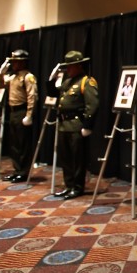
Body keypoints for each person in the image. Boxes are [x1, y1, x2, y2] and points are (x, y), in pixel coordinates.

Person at [46, 51, 99, 200]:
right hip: (64, 125)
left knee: (77, 159)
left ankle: (77, 187)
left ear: (79, 66)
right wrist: (52, 79)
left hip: (77, 125)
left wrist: (88, 125)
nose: (68, 69)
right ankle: (68, 185)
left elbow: (93, 104)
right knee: (65, 158)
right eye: (67, 66)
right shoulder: (67, 82)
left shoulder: (87, 81)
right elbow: (53, 94)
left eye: (71, 66)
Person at [0, 49, 38, 183]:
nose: (13, 64)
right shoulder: (12, 76)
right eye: (13, 61)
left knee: (23, 144)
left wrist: (29, 114)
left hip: (22, 111)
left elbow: (32, 96)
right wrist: (0, 74)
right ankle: (16, 169)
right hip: (13, 112)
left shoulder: (28, 76)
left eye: (16, 61)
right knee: (14, 144)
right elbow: (1, 85)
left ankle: (24, 172)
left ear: (23, 62)